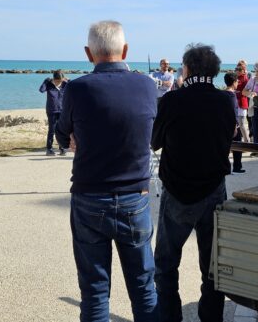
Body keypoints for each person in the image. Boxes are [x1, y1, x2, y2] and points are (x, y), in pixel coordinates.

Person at [55, 20, 159, 322]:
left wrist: (76, 136)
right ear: (125, 50)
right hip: (134, 196)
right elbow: (149, 129)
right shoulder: (146, 85)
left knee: (95, 291)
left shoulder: (77, 88)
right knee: (144, 288)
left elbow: (62, 134)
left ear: (89, 53)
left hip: (89, 196)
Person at [152, 44, 236, 321]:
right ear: (215, 71)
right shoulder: (225, 101)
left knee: (166, 263)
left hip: (177, 188)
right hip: (213, 188)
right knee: (211, 265)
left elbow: (154, 142)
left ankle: (170, 316)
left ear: (186, 69)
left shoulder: (172, 100)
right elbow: (228, 137)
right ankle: (211, 317)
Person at [39, 70, 68, 155]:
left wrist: (69, 80)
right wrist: (45, 81)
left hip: (62, 110)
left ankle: (62, 148)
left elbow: (74, 88)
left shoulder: (65, 84)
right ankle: (49, 149)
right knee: (52, 130)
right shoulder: (49, 84)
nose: (59, 82)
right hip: (51, 110)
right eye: (57, 80)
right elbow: (41, 90)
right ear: (54, 79)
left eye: (60, 80)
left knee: (62, 130)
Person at [224, 72, 246, 174]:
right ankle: (237, 167)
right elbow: (232, 112)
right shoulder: (231, 96)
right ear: (233, 82)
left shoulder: (223, 94)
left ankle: (226, 167)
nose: (238, 82)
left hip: (224, 125)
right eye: (237, 81)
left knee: (225, 147)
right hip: (232, 125)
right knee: (238, 147)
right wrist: (234, 127)